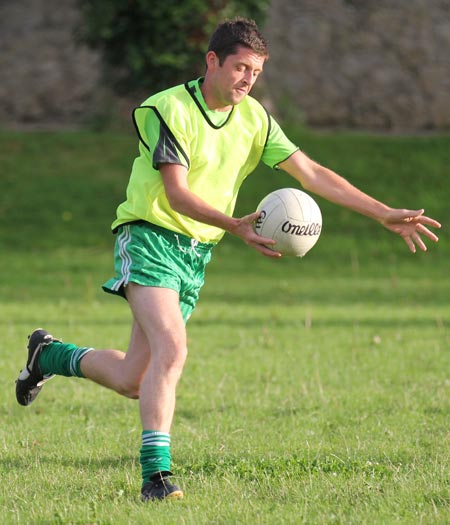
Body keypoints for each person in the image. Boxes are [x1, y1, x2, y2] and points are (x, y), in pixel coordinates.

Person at [15, 17, 440, 502]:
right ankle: (156, 477)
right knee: (173, 349)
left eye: (256, 72)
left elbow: (313, 173)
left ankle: (48, 354)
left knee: (135, 378)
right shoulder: (168, 109)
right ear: (212, 61)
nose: (247, 79)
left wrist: (383, 213)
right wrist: (235, 225)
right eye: (240, 67)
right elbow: (175, 194)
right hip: (150, 236)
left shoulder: (255, 118)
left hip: (195, 253)